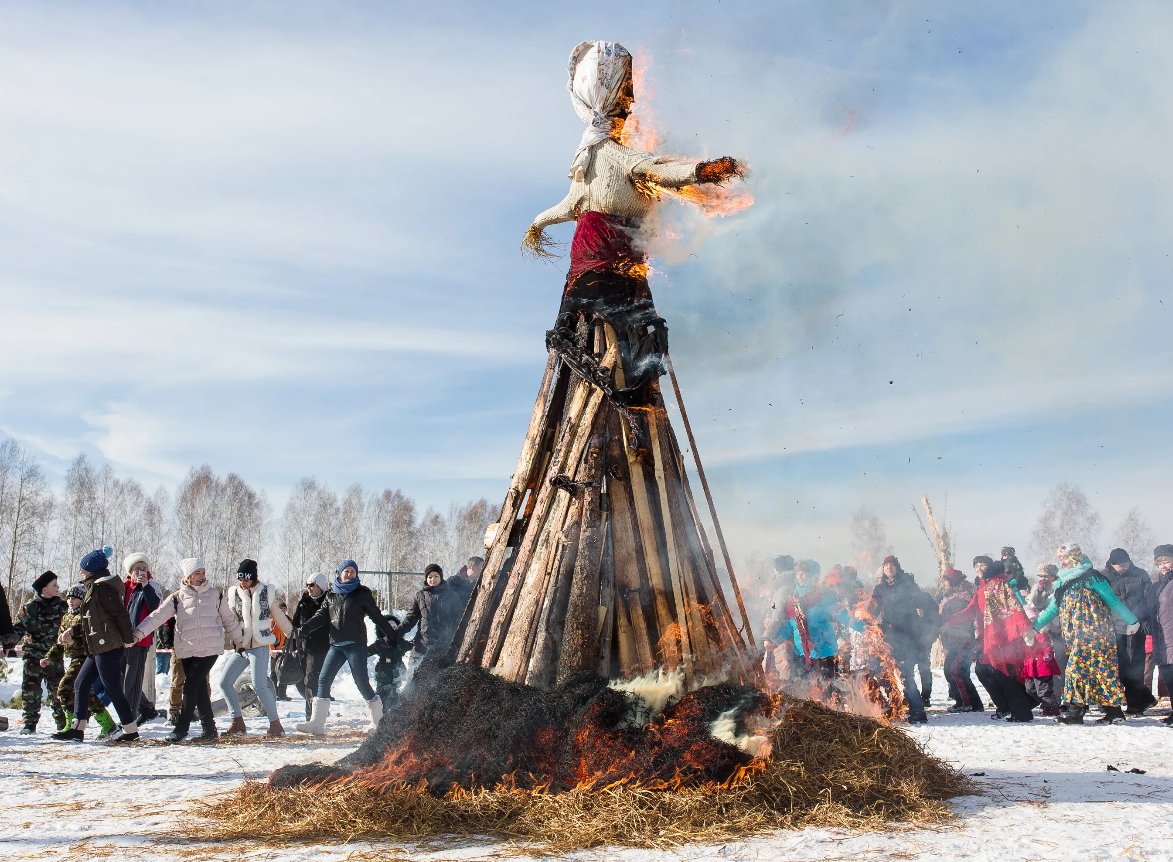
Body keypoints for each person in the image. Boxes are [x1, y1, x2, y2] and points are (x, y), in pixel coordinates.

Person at [132, 558, 245, 743]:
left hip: (210, 649)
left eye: (203, 573)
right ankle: (209, 730)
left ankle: (182, 728)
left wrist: (238, 639)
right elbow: (157, 616)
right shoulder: (177, 597)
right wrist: (138, 633)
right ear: (188, 576)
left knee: (191, 685)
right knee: (199, 689)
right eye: (197, 574)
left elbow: (228, 619)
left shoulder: (215, 595)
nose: (201, 577)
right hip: (187, 650)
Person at [1031, 543, 1139, 725]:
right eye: (1061, 559)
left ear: (1075, 557)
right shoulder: (1062, 582)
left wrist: (1132, 621)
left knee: (1080, 671)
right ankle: (1114, 713)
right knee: (1098, 672)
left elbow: (1113, 602)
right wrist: (1034, 627)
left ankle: (1076, 713)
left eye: (1065, 558)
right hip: (1074, 638)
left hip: (1097, 635)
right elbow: (1051, 609)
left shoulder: (1094, 578)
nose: (1063, 562)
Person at [294, 560, 395, 735]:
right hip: (336, 645)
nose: (349, 574)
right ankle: (317, 724)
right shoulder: (332, 595)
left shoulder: (362, 594)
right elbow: (320, 616)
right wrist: (305, 628)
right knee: (323, 681)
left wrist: (391, 633)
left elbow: (376, 616)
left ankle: (379, 723)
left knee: (361, 682)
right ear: (340, 573)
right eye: (346, 571)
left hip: (355, 644)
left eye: (352, 572)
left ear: (356, 575)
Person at [51, 548, 140, 742]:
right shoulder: (93, 589)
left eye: (83, 569)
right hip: (96, 647)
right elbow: (90, 622)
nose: (81, 572)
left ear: (91, 570)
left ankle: (130, 730)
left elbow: (121, 615)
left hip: (107, 647)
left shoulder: (103, 589)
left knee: (112, 688)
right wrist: (72, 632)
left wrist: (127, 639)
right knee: (80, 683)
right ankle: (77, 728)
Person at [942, 557, 1035, 722]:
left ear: (989, 566)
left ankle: (1021, 712)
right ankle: (1016, 705)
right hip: (989, 638)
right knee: (985, 671)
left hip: (1004, 637)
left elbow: (1016, 607)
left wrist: (1026, 627)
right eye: (976, 565)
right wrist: (948, 622)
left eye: (982, 565)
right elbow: (971, 611)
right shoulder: (982, 588)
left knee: (1004, 674)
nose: (978, 568)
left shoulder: (1000, 584)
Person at [218, 559, 291, 738]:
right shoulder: (234, 593)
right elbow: (228, 619)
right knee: (224, 682)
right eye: (240, 578)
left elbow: (279, 616)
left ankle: (276, 725)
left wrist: (293, 634)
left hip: (259, 646)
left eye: (246, 579)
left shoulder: (266, 592)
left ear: (254, 577)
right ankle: (238, 722)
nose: (243, 582)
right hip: (242, 646)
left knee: (259, 685)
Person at [869, 556, 936, 723]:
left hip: (907, 636)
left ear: (897, 567)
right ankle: (899, 706)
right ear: (882, 569)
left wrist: (926, 619)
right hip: (888, 637)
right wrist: (865, 617)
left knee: (906, 674)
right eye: (886, 566)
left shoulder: (908, 584)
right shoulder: (880, 588)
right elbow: (872, 607)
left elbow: (924, 602)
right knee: (881, 671)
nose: (889, 568)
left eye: (892, 565)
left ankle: (918, 712)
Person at [44, 584, 118, 736]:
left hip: (85, 658)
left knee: (65, 688)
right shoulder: (66, 617)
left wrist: (73, 643)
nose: (70, 601)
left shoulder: (86, 617)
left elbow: (88, 641)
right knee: (87, 694)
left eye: (75, 598)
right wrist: (50, 657)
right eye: (69, 598)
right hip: (73, 660)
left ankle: (72, 726)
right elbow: (60, 642)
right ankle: (108, 724)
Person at [771, 561, 862, 683]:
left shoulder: (823, 596)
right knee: (806, 693)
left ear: (812, 575)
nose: (800, 576)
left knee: (827, 692)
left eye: (804, 573)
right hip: (802, 655)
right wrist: (774, 640)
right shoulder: (792, 600)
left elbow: (845, 616)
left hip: (823, 653)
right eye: (798, 573)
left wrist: (865, 629)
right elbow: (790, 626)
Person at [390, 563, 465, 689]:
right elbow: (409, 620)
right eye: (430, 577)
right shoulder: (419, 596)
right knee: (412, 684)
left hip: (443, 648)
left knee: (438, 687)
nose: (433, 579)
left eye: (436, 576)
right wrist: (395, 634)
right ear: (426, 579)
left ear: (441, 577)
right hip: (422, 646)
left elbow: (460, 620)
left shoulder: (451, 595)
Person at [13, 571, 68, 734]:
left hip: (54, 656)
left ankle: (62, 723)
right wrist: (8, 643)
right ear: (44, 589)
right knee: (31, 691)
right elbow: (18, 629)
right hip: (33, 657)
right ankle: (29, 723)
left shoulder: (62, 606)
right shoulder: (30, 607)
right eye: (54, 585)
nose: (58, 588)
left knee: (58, 690)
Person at [1104, 548, 1155, 715]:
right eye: (1120, 565)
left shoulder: (1140, 574)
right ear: (1112, 564)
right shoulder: (1103, 577)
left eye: (1126, 563)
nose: (1124, 567)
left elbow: (1148, 598)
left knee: (1136, 666)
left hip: (1137, 625)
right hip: (1113, 628)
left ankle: (1135, 704)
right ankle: (1135, 699)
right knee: (1118, 667)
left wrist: (1141, 618)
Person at [121, 552, 161, 723]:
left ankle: (129, 717)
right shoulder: (124, 587)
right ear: (130, 571)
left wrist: (146, 588)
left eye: (144, 569)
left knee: (133, 679)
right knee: (123, 679)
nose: (142, 572)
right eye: (138, 569)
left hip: (140, 639)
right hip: (123, 639)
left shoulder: (151, 586)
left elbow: (156, 608)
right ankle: (146, 709)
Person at [936, 568, 983, 713]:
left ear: (952, 581)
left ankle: (967, 702)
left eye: (946, 580)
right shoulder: (949, 596)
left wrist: (975, 636)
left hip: (964, 639)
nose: (944, 584)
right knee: (953, 671)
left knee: (956, 671)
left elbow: (969, 617)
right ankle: (970, 702)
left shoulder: (962, 597)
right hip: (953, 640)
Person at [1022, 565, 1063, 715]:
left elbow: (1055, 609)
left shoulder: (1058, 588)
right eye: (1040, 576)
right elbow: (1031, 605)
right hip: (1040, 630)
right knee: (1046, 676)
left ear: (1053, 576)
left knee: (1057, 669)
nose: (1043, 579)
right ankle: (1049, 702)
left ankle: (1055, 701)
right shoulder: (1037, 589)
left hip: (1057, 631)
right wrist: (1037, 593)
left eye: (1046, 576)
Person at [291, 572, 330, 722]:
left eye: (311, 585)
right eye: (307, 585)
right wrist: (294, 645)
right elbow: (295, 624)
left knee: (312, 680)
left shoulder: (328, 601)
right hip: (303, 647)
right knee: (300, 680)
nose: (308, 588)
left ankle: (312, 715)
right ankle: (318, 708)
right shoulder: (304, 601)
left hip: (321, 647)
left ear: (320, 587)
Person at [1141, 544, 1173, 726]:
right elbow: (1145, 607)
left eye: (1167, 561)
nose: (1163, 566)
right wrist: (1142, 620)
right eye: (1160, 563)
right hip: (1161, 640)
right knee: (1168, 676)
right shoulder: (1155, 586)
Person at [268, 600, 293, 701]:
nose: (283, 611)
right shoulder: (273, 621)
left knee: (284, 672)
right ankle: (274, 693)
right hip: (275, 650)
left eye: (284, 609)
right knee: (274, 673)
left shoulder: (289, 620)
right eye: (281, 609)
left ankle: (282, 693)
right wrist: (272, 649)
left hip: (285, 651)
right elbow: (269, 636)